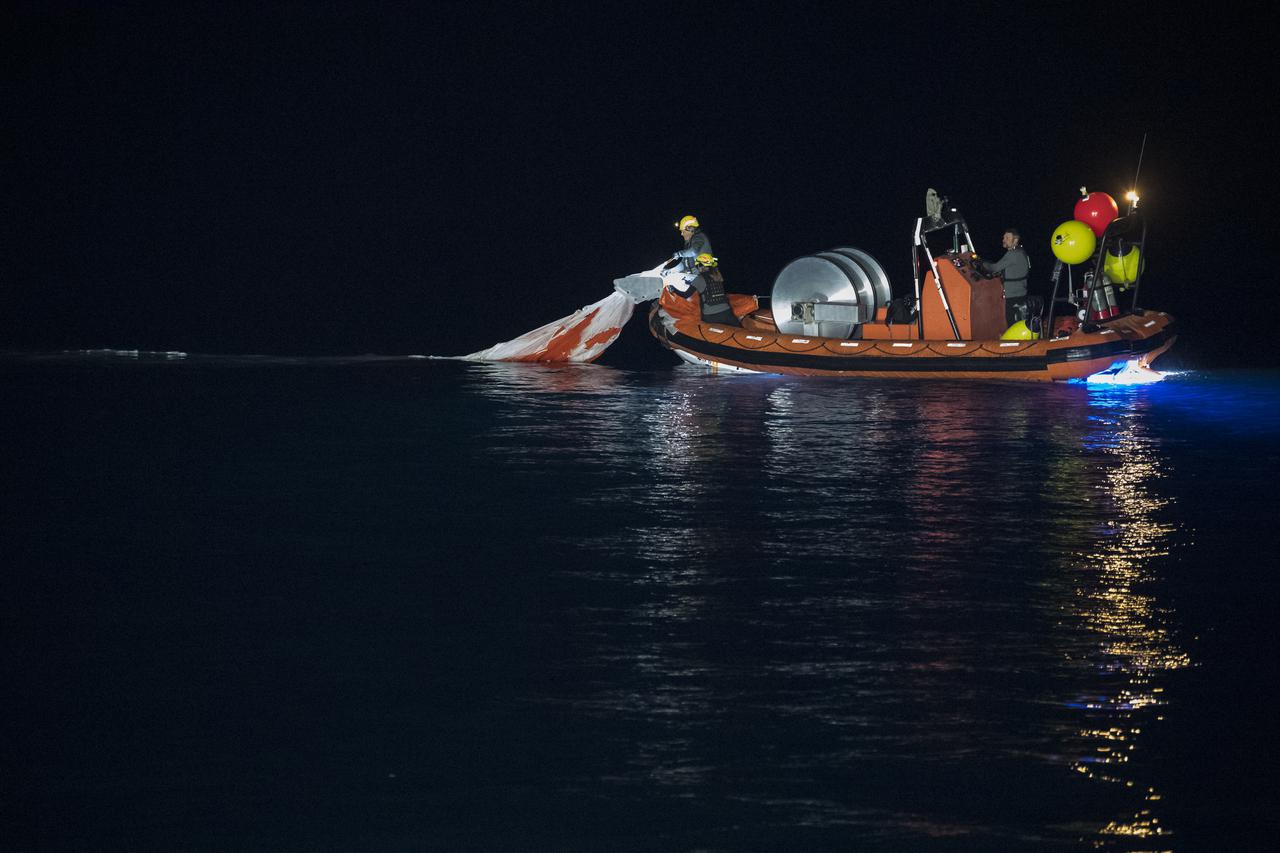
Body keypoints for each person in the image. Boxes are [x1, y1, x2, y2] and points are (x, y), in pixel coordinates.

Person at [982, 228, 1031, 326]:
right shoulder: (1021, 252)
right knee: (1019, 321)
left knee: (1012, 323)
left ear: (1015, 240)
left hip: (1013, 295)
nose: (1004, 240)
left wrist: (982, 263)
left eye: (1007, 238)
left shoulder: (1013, 254)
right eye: (1004, 237)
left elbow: (994, 268)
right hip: (1020, 293)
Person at [686, 252, 739, 326]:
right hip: (727, 312)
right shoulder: (718, 275)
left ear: (700, 265)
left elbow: (686, 294)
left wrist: (672, 289)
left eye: (697, 265)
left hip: (711, 315)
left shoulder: (699, 279)